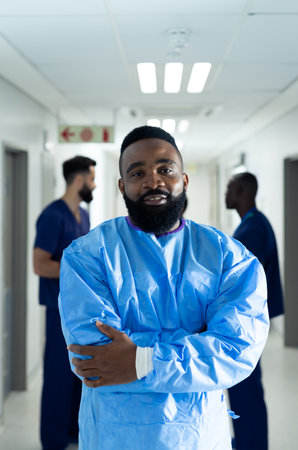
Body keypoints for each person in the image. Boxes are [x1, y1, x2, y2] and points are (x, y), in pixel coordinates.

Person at [58, 126, 269, 450]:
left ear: (183, 180)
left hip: (198, 436)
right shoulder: (87, 256)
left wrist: (142, 361)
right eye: (137, 172)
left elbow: (236, 350)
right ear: (122, 186)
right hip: (114, 436)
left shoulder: (229, 258)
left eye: (165, 169)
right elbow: (96, 358)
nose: (152, 181)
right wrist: (197, 343)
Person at [33, 155, 96, 450]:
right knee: (58, 377)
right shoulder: (52, 216)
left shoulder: (83, 216)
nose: (94, 184)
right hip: (56, 310)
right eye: (92, 179)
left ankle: (73, 432)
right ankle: (53, 441)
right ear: (80, 180)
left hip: (79, 310)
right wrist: (77, 269)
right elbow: (40, 264)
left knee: (76, 374)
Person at [225, 172, 284, 450]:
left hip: (245, 323)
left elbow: (244, 284)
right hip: (249, 320)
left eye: (229, 189)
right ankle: (251, 441)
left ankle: (252, 444)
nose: (226, 194)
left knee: (244, 388)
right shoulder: (255, 222)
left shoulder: (250, 230)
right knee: (247, 387)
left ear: (241, 191)